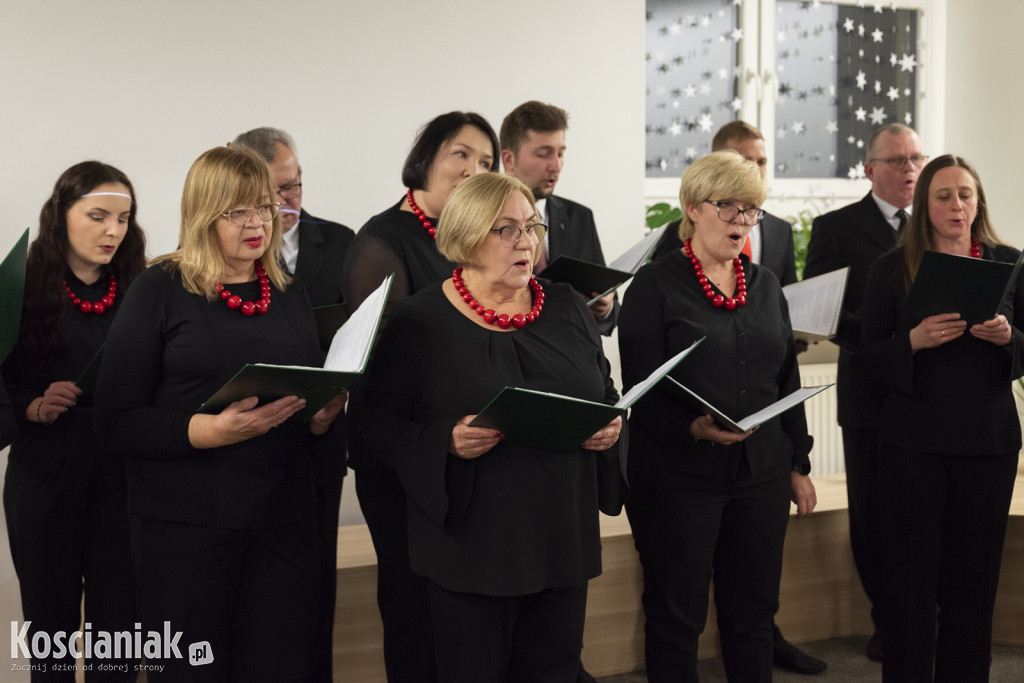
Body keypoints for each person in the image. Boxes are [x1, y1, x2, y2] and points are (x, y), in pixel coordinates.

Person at [359, 172, 625, 682]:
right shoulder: (418, 322)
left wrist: (610, 427)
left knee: (554, 670)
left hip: (559, 535)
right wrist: (445, 438)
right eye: (505, 229)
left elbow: (606, 395)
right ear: (464, 236)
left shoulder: (568, 305)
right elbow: (372, 430)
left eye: (531, 227)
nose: (525, 242)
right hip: (471, 546)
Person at [93, 146, 345, 681]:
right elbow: (114, 420)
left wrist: (321, 417)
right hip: (185, 531)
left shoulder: (287, 292)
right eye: (237, 212)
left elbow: (300, 410)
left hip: (283, 520)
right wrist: (204, 431)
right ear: (204, 215)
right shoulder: (159, 288)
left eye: (264, 207)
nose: (256, 223)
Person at [618, 150, 815, 683]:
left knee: (753, 616)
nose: (741, 222)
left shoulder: (766, 284)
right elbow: (639, 389)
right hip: (677, 477)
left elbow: (786, 383)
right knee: (676, 619)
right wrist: (692, 426)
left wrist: (799, 463)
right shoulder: (654, 286)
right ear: (691, 208)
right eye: (727, 207)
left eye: (750, 210)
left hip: (761, 475)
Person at [340, 110, 499, 682]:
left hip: (469, 442)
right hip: (403, 447)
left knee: (462, 603)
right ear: (426, 157)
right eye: (461, 154)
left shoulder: (485, 237)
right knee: (411, 599)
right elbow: (381, 361)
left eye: (485, 161)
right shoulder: (383, 238)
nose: (472, 169)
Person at [860, 155, 1021, 683]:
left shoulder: (1010, 261)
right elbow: (868, 358)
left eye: (966, 195)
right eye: (944, 196)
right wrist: (913, 340)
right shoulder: (892, 267)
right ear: (924, 205)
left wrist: (1009, 339)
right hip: (915, 445)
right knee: (910, 584)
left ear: (980, 202)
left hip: (988, 444)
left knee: (973, 586)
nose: (957, 206)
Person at [1, 161, 146, 679]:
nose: (113, 231)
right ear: (62, 214)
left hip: (122, 477)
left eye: (124, 219)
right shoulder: (17, 283)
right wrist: (31, 405)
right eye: (98, 215)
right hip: (46, 473)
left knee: (121, 639)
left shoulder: (142, 288)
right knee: (51, 639)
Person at [232, 125, 355, 682]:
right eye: (276, 192)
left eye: (297, 185)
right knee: (250, 598)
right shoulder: (217, 257)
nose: (289, 202)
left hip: (321, 437)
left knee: (315, 587)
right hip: (244, 445)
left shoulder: (344, 241)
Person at [803, 123, 925, 661]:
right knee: (873, 512)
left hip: (930, 395)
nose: (910, 170)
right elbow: (820, 310)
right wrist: (888, 343)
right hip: (871, 391)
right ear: (870, 169)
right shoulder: (836, 228)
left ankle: (924, 614)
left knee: (921, 511)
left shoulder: (937, 223)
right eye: (897, 161)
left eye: (916, 159)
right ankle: (886, 619)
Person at [500, 100, 617, 335]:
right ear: (509, 160)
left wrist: (605, 307)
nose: (556, 165)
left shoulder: (580, 217)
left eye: (561, 153)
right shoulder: (482, 220)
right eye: (543, 154)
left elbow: (608, 317)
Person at [653, 121, 797, 288]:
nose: (755, 170)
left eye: (761, 162)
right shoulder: (671, 246)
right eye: (746, 162)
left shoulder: (780, 232)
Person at [231, 127, 355, 306]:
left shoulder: (342, 242)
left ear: (299, 174)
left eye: (289, 187)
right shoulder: (213, 247)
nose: (280, 203)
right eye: (266, 196)